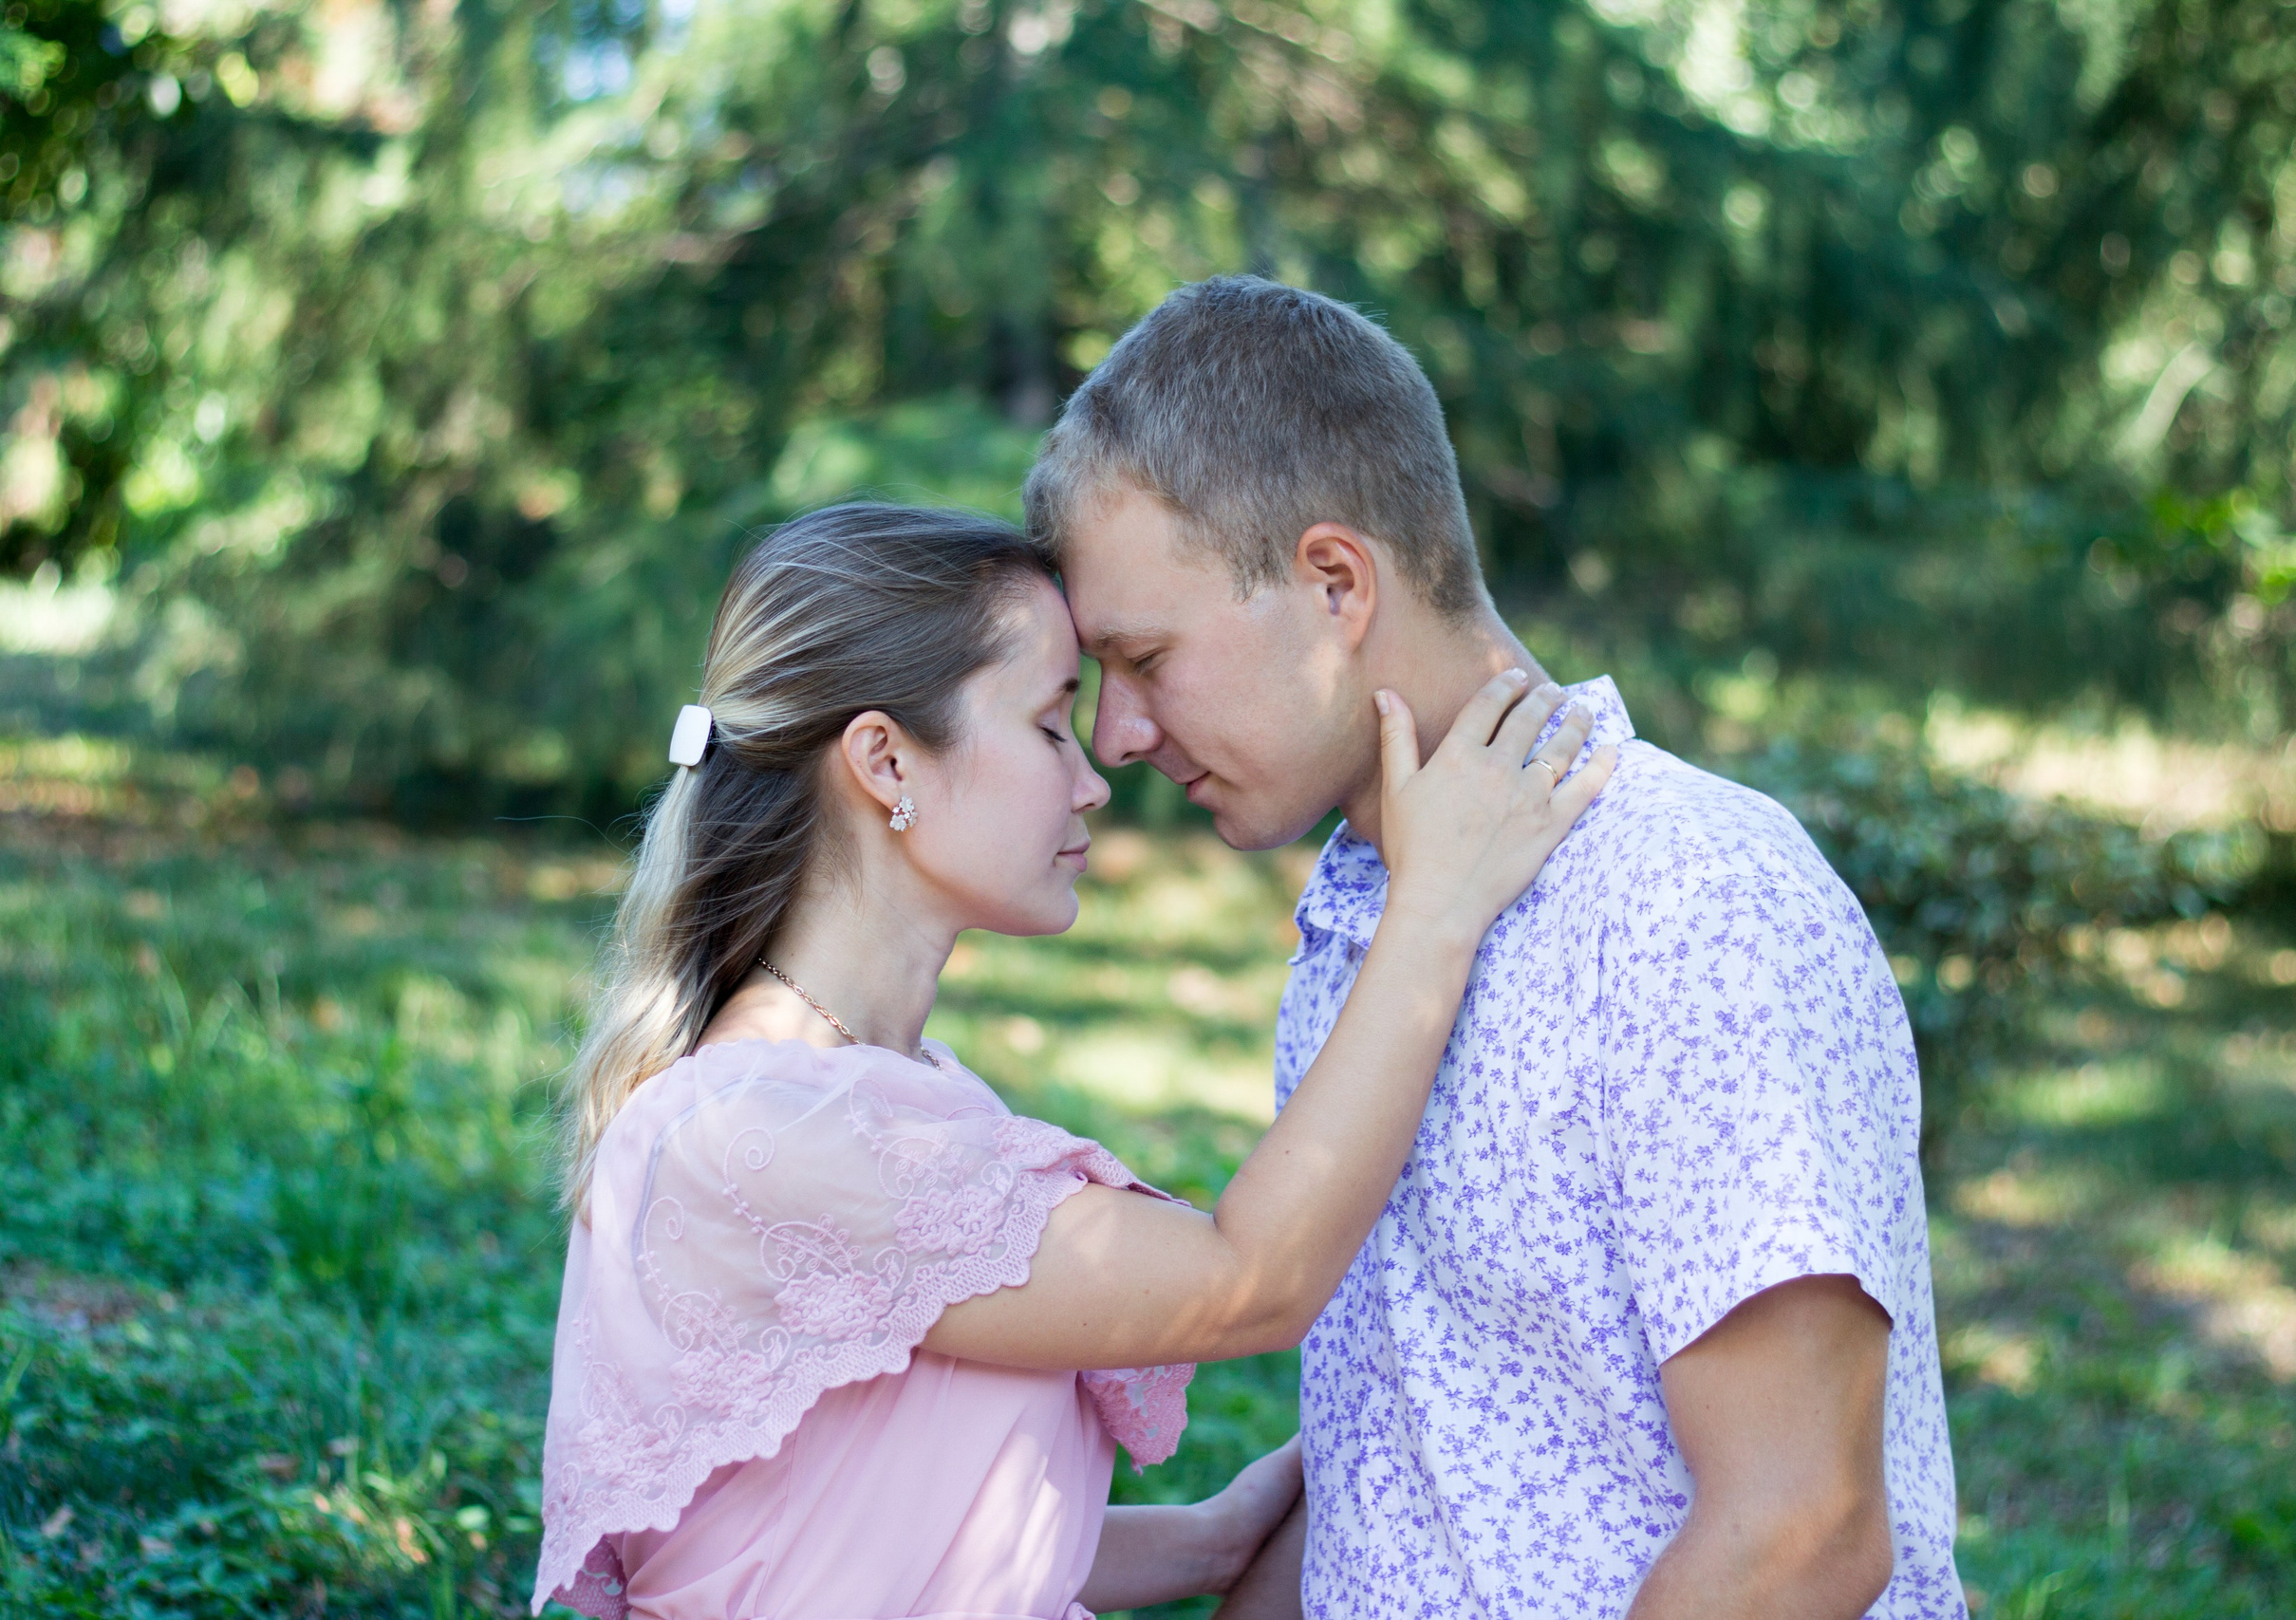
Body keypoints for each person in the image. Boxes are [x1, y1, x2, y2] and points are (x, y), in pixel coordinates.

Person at [1027, 276, 1968, 1619]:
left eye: (1147, 656)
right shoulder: (1371, 911)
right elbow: (1405, 1449)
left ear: (1335, 581)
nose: (1116, 734)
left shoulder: (1690, 901)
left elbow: (1801, 1530)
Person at [530, 502, 1613, 1619]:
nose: (1094, 776)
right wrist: (1433, 908)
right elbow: (1246, 1285)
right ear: (885, 758)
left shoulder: (893, 1096)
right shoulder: (766, 1130)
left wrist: (1208, 1539)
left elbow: (877, 1539)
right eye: (1050, 723)